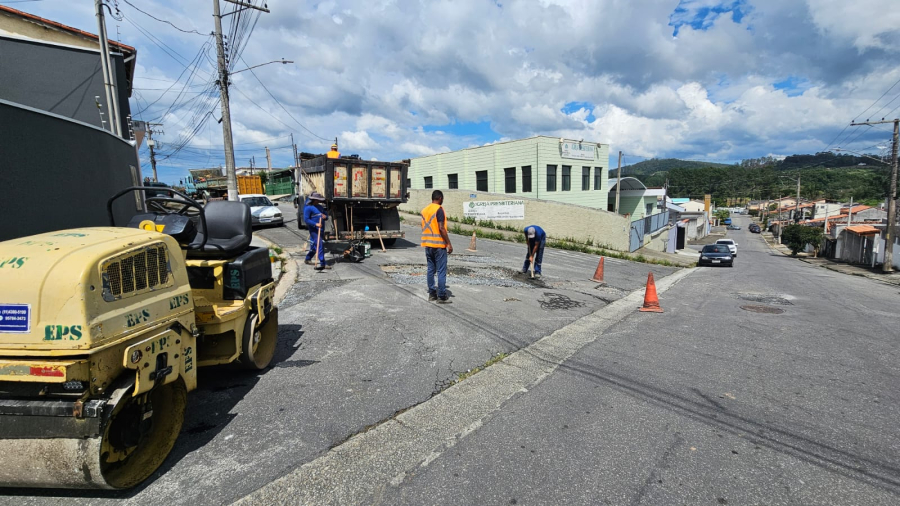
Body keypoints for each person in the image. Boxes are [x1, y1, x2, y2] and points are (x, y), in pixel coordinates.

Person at [421, 190, 453, 303]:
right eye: (442, 199)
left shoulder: (425, 210)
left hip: (427, 244)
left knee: (430, 269)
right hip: (438, 245)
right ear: (440, 198)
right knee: (441, 271)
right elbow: (441, 228)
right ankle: (442, 296)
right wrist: (448, 243)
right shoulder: (438, 209)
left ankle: (432, 294)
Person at [304, 192, 330, 270]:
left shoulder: (320, 207)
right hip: (314, 230)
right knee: (319, 245)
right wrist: (316, 224)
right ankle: (323, 263)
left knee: (315, 247)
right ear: (314, 200)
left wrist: (325, 217)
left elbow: (326, 216)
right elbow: (306, 220)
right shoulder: (308, 208)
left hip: (321, 229)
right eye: (317, 200)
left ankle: (308, 258)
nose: (319, 201)